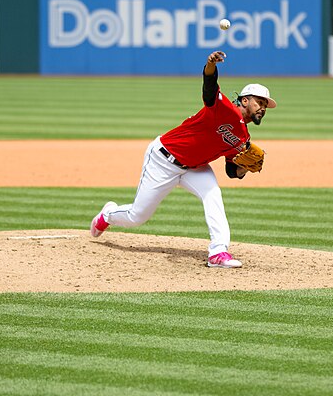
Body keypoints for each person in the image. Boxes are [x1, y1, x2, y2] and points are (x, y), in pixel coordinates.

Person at [89, 51, 275, 269]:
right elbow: (209, 87)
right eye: (259, 102)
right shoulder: (223, 109)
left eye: (265, 105)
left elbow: (232, 171)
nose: (262, 107)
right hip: (163, 159)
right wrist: (210, 65)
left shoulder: (244, 138)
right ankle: (108, 214)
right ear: (245, 100)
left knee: (213, 195)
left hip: (195, 168)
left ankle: (218, 252)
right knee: (137, 216)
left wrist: (244, 169)